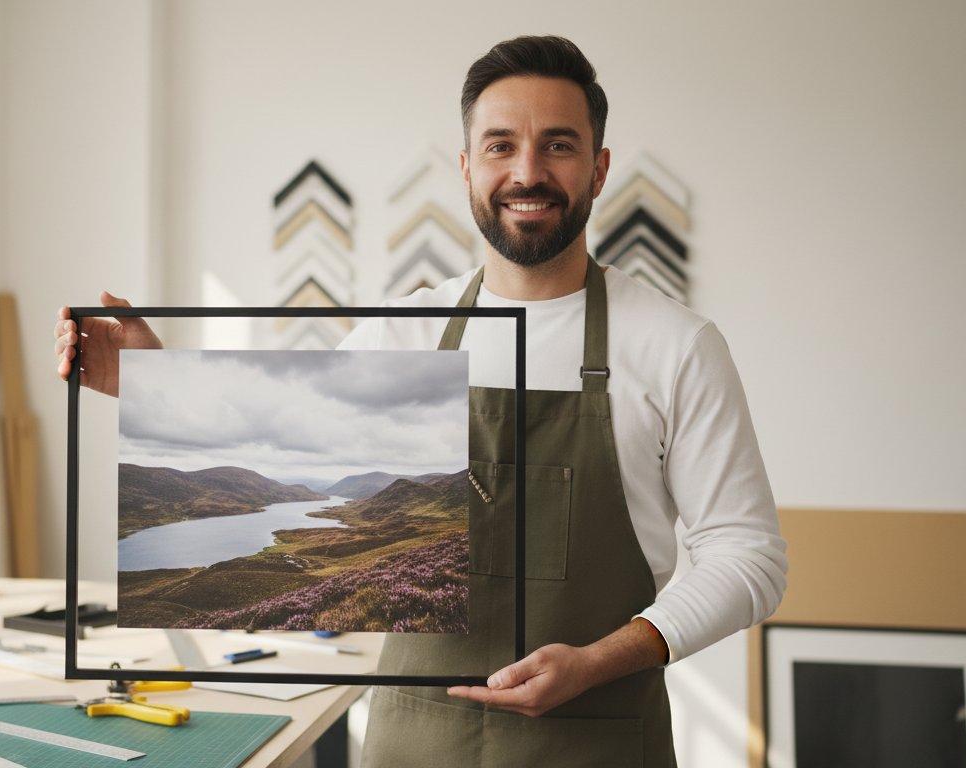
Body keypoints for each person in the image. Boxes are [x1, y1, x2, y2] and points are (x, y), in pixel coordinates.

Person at [55, 35, 786, 768]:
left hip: (599, 737)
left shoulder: (676, 345)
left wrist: (600, 659)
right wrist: (148, 378)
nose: (527, 172)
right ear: (468, 168)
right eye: (501, 146)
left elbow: (748, 556)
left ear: (598, 167)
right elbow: (281, 432)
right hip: (414, 743)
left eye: (557, 145)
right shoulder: (405, 330)